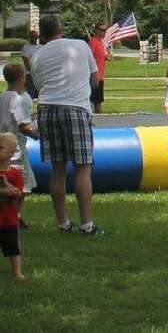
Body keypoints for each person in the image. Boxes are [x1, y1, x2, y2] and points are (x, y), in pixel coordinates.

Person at [31, 15, 101, 235]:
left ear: (42, 34)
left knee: (57, 168)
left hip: (47, 109)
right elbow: (95, 79)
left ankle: (63, 223)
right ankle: (87, 224)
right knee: (83, 166)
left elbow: (38, 84)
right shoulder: (80, 45)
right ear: (61, 28)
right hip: (75, 109)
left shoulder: (37, 55)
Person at [1, 62, 36, 202]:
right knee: (22, 186)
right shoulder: (18, 99)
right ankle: (15, 214)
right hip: (16, 151)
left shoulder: (2, 97)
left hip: (4, 149)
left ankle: (13, 214)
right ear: (23, 78)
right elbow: (23, 126)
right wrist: (36, 134)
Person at [0, 134, 25, 280]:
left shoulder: (15, 173)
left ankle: (17, 272)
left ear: (11, 153)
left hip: (9, 219)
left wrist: (11, 189)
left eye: (0, 147)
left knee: (13, 247)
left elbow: (19, 191)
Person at [87, 26, 107, 113]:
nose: (105, 32)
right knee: (97, 101)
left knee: (97, 100)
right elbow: (88, 57)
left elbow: (101, 56)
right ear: (96, 31)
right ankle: (100, 121)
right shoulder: (93, 42)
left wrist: (107, 56)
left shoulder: (101, 42)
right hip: (95, 76)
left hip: (100, 76)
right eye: (103, 30)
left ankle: (99, 118)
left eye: (106, 30)